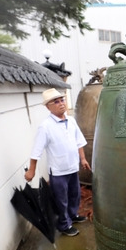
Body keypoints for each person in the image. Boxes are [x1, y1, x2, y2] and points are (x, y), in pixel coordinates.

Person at [25, 88, 91, 237]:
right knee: (62, 200)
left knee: (75, 195)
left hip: (73, 168)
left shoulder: (71, 121)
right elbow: (36, 150)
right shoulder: (45, 127)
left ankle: (72, 216)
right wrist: (31, 170)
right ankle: (64, 225)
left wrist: (83, 159)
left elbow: (79, 141)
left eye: (62, 100)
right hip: (58, 171)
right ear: (48, 107)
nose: (61, 103)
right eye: (56, 102)